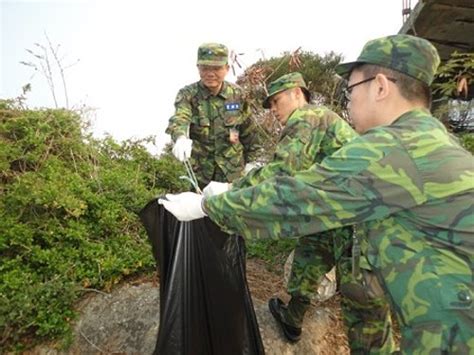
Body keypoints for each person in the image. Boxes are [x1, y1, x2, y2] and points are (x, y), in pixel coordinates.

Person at [160, 34, 474, 353]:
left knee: (354, 281)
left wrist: (209, 204)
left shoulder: (384, 149)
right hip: (441, 307)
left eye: (349, 89)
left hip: (452, 335)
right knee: (336, 264)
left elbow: (297, 194)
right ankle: (294, 314)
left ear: (380, 87)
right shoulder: (432, 141)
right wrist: (182, 137)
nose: (347, 100)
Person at [203, 72, 395, 352]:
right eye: (269, 106)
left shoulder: (308, 116)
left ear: (297, 93)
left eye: (277, 101)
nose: (274, 110)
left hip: (362, 217)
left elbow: (285, 171)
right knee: (311, 252)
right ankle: (292, 318)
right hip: (336, 212)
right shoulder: (318, 120)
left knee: (364, 305)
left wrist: (232, 188)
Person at [166, 42, 262, 189]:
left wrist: (253, 163)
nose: (210, 74)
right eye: (205, 68)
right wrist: (180, 137)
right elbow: (180, 118)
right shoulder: (188, 95)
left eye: (216, 68)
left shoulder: (238, 95)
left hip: (233, 175)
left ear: (227, 68)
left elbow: (250, 133)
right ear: (198, 68)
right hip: (200, 177)